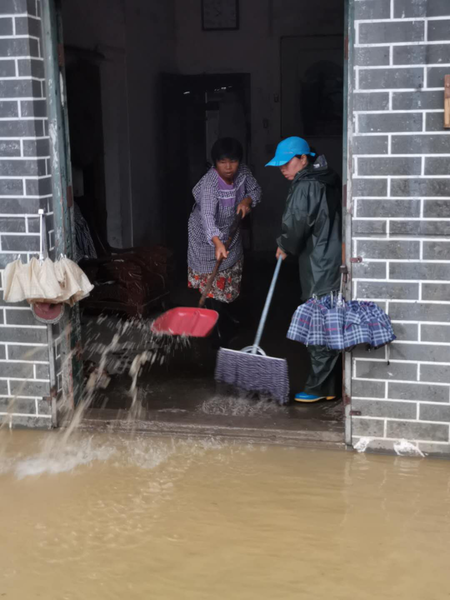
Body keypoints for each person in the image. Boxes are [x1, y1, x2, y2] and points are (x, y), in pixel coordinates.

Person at [266, 136, 342, 402]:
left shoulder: (306, 185)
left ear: (303, 158)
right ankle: (330, 388)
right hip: (329, 257)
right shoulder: (325, 178)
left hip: (320, 262)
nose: (283, 169)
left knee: (319, 322)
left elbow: (297, 221)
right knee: (328, 319)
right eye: (280, 165)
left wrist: (284, 244)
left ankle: (317, 388)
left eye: (287, 163)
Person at [188, 137, 261, 346]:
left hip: (231, 231)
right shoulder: (210, 184)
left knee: (227, 276)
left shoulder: (243, 173)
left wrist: (246, 201)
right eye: (222, 162)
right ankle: (214, 325)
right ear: (215, 163)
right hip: (205, 236)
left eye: (233, 161)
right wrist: (217, 243)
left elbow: (256, 191)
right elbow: (207, 218)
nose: (228, 167)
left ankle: (223, 315)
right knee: (210, 281)